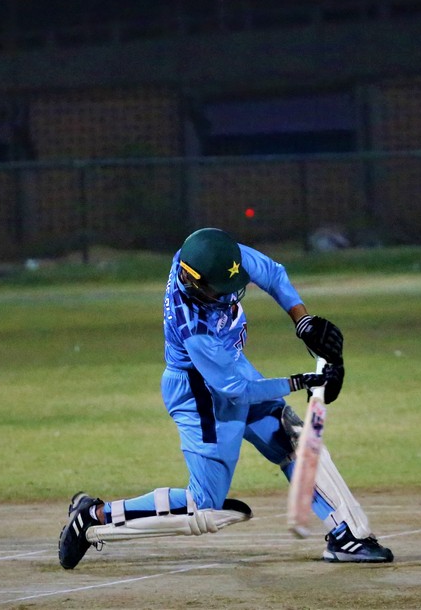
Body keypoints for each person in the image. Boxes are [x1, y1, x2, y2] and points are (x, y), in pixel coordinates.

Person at [58, 227, 393, 568]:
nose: (230, 295)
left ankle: (346, 534)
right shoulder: (193, 327)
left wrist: (302, 320)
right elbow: (236, 390)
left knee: (290, 436)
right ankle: (94, 516)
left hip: (230, 367)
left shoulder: (212, 255)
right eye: (220, 290)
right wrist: (301, 381)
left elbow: (273, 273)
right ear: (194, 284)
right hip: (200, 392)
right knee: (204, 507)